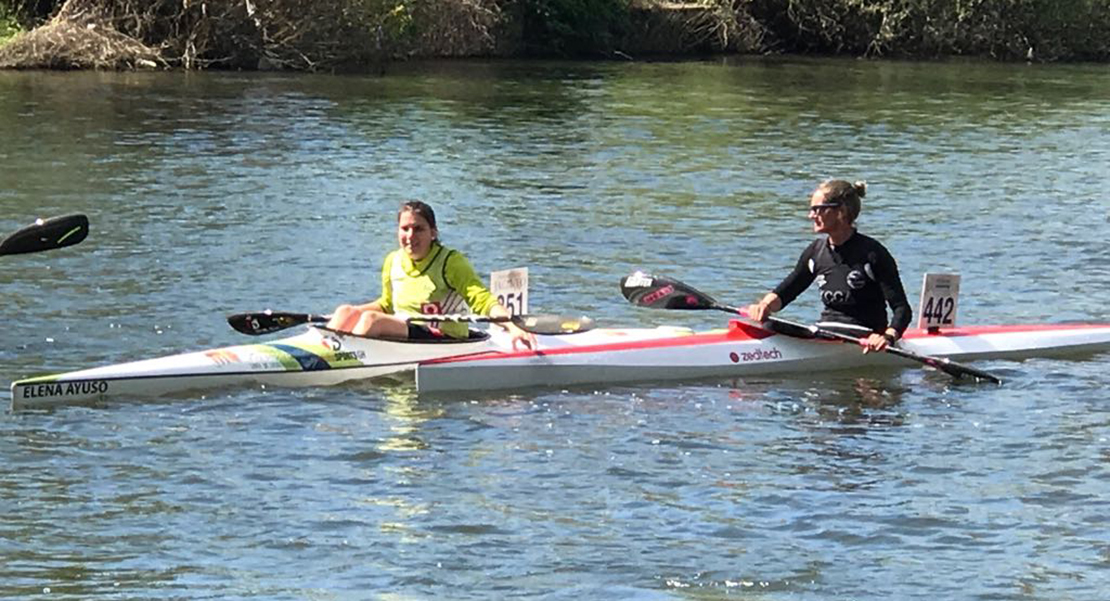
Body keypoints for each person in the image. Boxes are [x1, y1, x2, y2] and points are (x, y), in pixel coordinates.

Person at [327, 200, 535, 350]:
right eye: (405, 229)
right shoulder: (393, 261)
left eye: (418, 229)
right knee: (345, 311)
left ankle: (342, 358)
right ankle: (325, 350)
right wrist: (351, 312)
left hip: (445, 338)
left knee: (372, 320)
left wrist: (512, 326)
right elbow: (388, 304)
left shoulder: (450, 262)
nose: (410, 236)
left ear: (433, 233)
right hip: (407, 331)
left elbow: (482, 300)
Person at [746, 180, 911, 353]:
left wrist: (887, 337)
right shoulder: (815, 252)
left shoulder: (873, 254)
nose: (811, 216)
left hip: (864, 337)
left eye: (817, 209)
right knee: (767, 323)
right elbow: (786, 292)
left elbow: (902, 309)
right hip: (825, 331)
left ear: (840, 211)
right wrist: (764, 306)